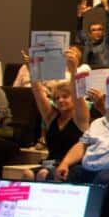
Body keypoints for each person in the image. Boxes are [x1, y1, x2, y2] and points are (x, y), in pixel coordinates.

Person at [29, 51, 89, 182]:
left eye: (65, 97)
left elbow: (77, 93)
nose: (60, 100)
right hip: (50, 163)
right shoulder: (52, 117)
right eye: (57, 98)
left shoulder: (80, 118)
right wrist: (33, 68)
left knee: (43, 174)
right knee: (27, 174)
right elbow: (38, 93)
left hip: (73, 165)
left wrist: (73, 70)